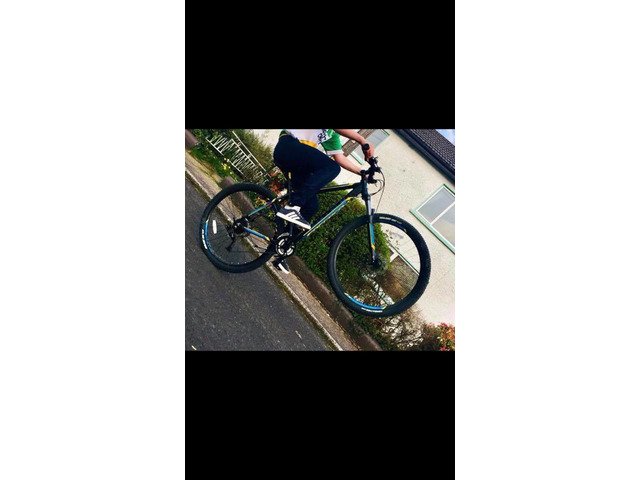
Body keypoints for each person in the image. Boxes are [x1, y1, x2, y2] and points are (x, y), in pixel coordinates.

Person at [273, 129, 375, 230]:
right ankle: (293, 206)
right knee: (332, 168)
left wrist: (363, 172)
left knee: (311, 206)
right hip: (288, 146)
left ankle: (283, 238)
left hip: (297, 164)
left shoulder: (331, 134)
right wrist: (362, 140)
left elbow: (339, 157)